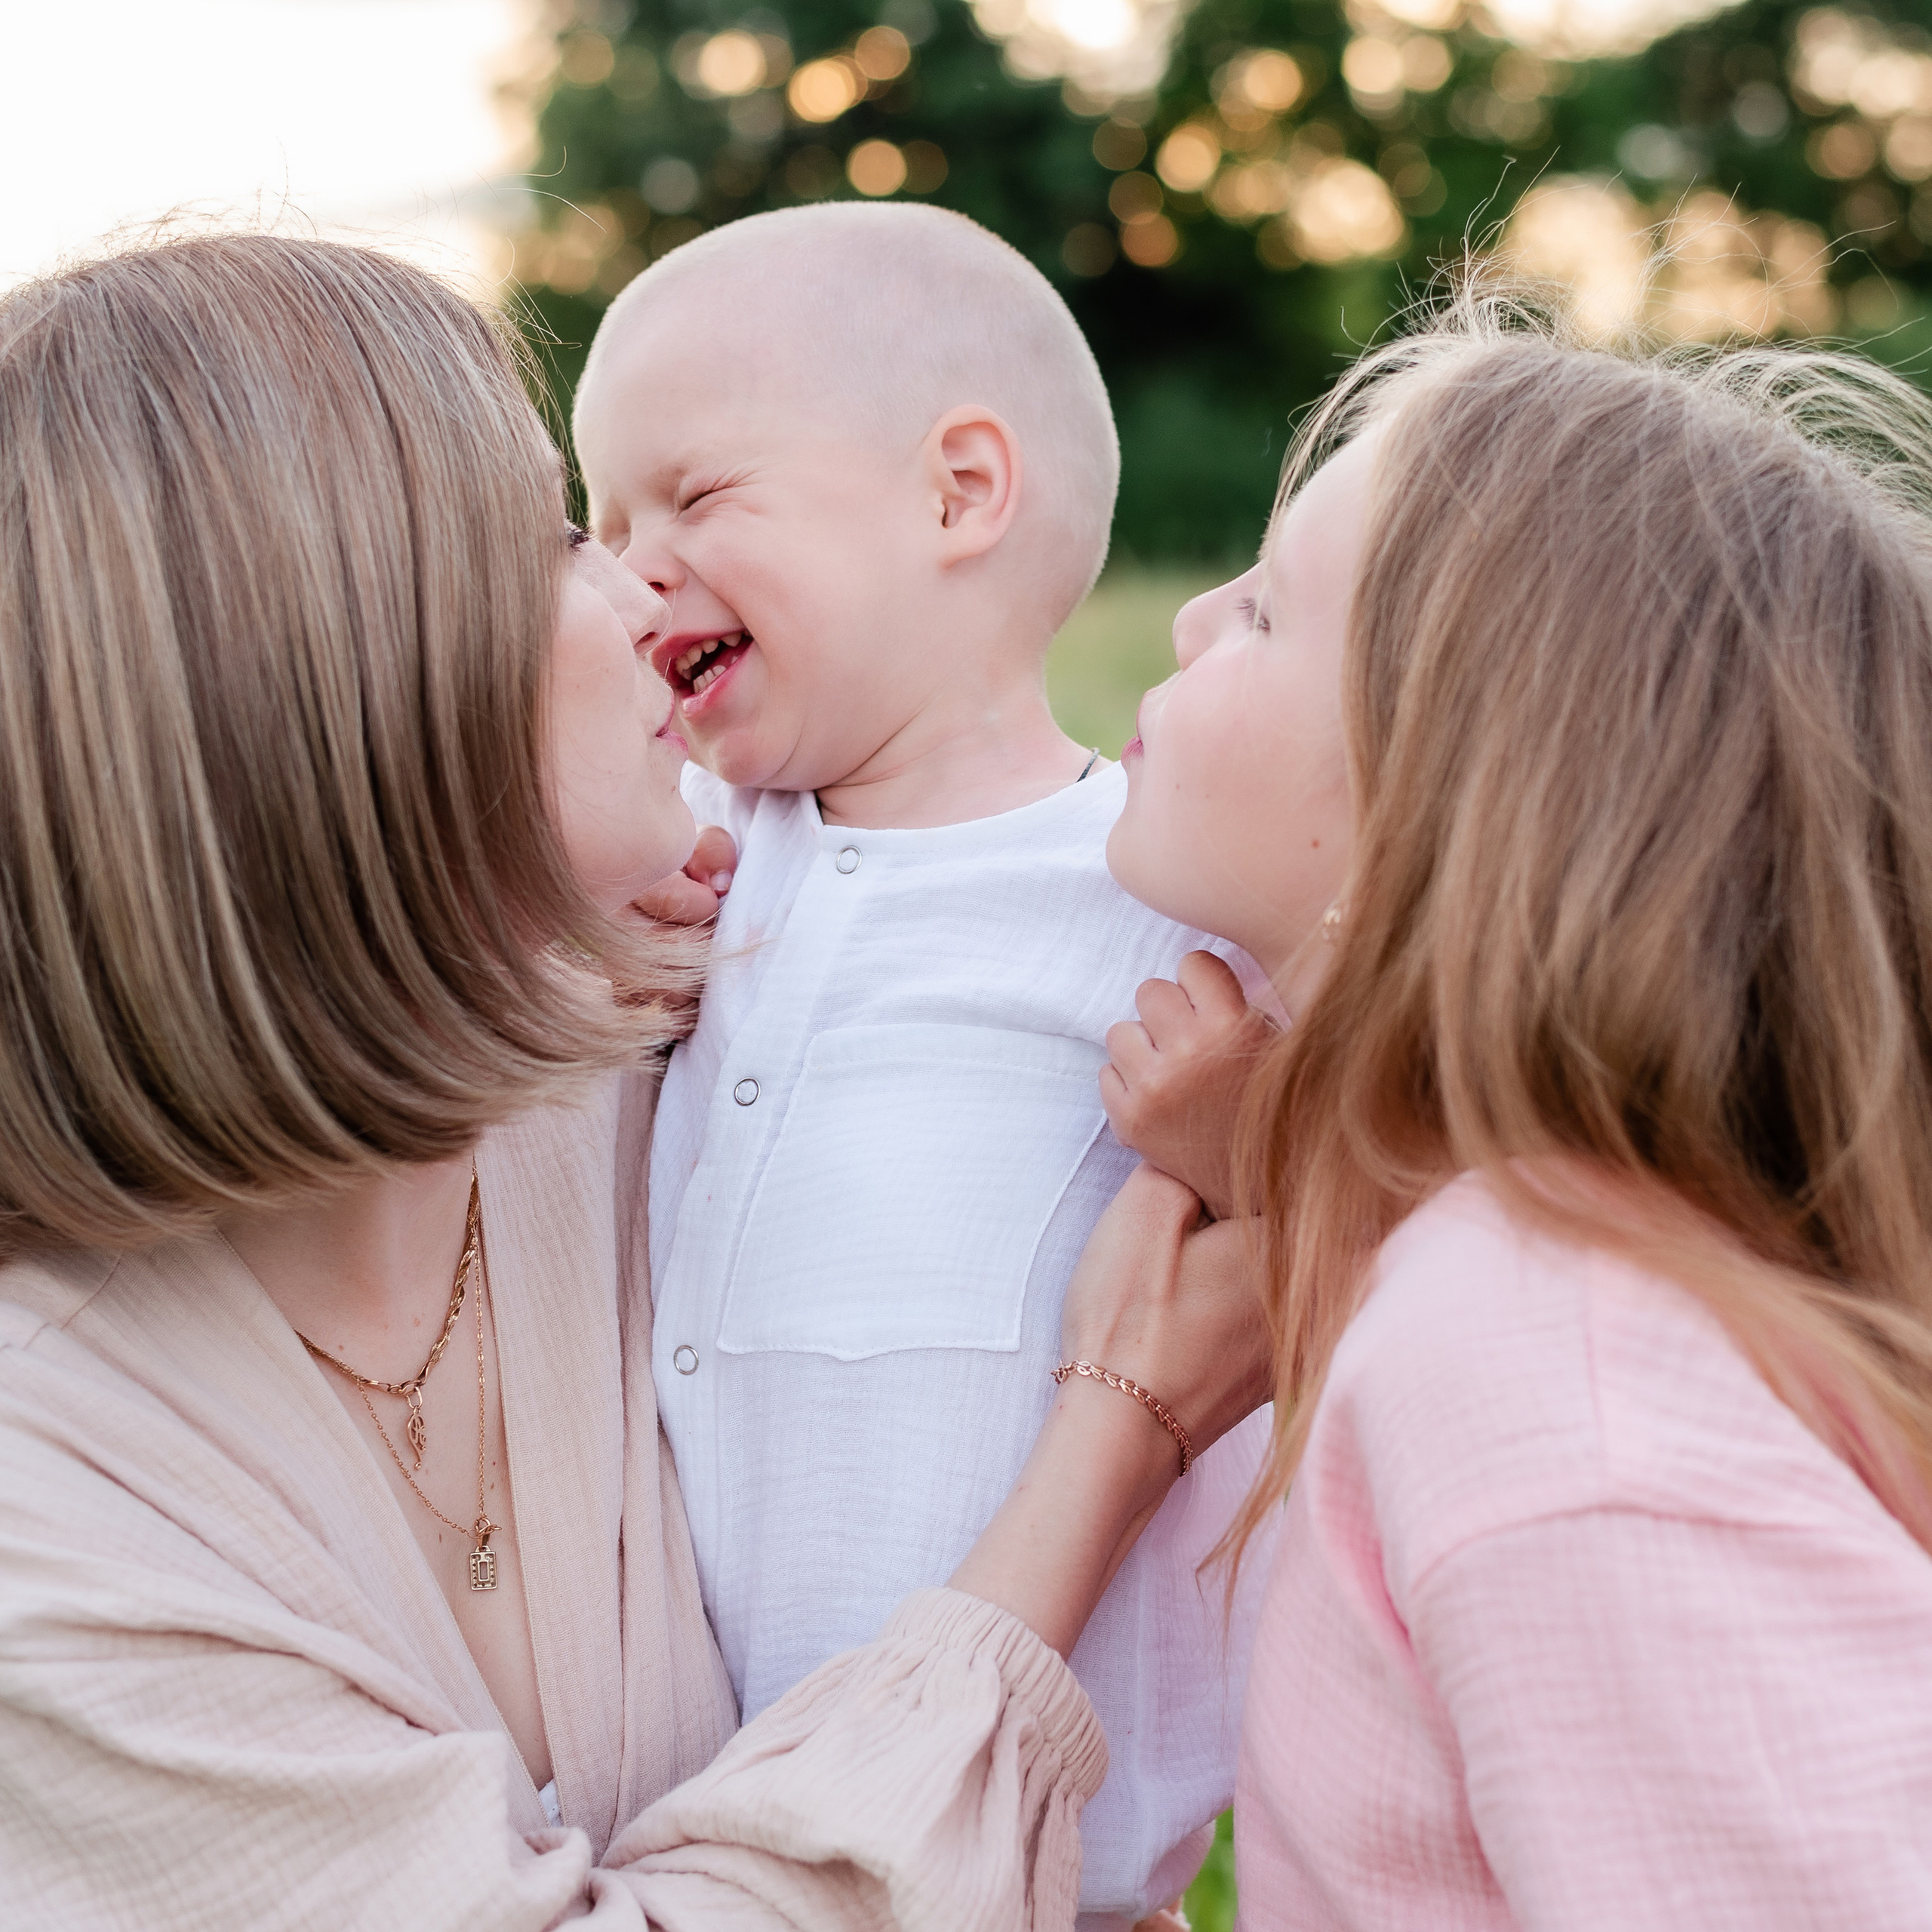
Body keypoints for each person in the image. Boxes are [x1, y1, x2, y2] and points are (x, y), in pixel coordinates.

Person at [0, 230, 1270, 1931]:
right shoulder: (57, 1509)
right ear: (338, 689)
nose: (628, 592)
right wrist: (1115, 1430)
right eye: (556, 538)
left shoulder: (643, 1052)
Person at [1099, 285, 1932, 1928]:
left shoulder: (1549, 1380)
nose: (1191, 618)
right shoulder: (1550, 1276)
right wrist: (1279, 1169)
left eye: (1266, 612)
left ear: (1439, 797)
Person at [572, 201, 1273, 1930]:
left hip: (1039, 1869)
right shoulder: (677, 869)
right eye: (598, 522)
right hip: (688, 1863)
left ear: (958, 491)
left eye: (696, 496)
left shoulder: (1152, 900)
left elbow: (1365, 1250)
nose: (624, 565)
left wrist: (1259, 1143)